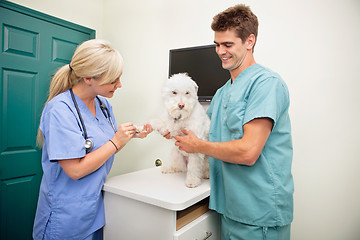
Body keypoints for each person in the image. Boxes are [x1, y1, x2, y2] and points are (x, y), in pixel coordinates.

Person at [173, 4, 294, 240]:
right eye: (217, 45)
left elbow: (248, 151)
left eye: (228, 44)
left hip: (258, 213)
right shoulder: (221, 93)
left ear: (249, 41)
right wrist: (171, 129)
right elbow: (203, 133)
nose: (220, 51)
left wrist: (196, 146)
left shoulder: (266, 84)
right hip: (229, 208)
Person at [33, 39, 152, 240]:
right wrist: (116, 141)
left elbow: (104, 150)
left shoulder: (103, 105)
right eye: (114, 79)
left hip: (94, 209)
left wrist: (128, 136)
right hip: (66, 216)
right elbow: (76, 170)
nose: (120, 85)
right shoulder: (60, 110)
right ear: (88, 78)